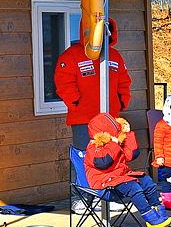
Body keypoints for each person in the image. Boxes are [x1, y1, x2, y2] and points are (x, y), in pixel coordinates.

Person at [84, 113, 171, 227]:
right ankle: (151, 219)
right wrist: (114, 144)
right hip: (103, 183)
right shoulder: (93, 147)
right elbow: (103, 162)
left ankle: (159, 214)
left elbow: (131, 155)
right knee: (133, 187)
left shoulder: (115, 144)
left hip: (119, 178)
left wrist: (128, 134)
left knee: (147, 182)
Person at [55, 18, 133, 151]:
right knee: (86, 159)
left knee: (112, 158)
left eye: (104, 31)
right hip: (84, 120)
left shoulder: (114, 56)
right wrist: (77, 103)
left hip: (111, 117)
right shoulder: (71, 55)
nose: (101, 34)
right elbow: (64, 82)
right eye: (98, 30)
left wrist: (121, 102)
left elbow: (124, 82)